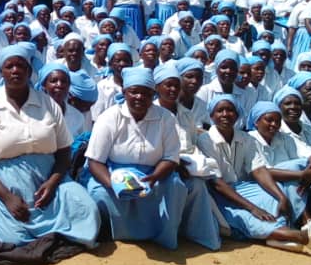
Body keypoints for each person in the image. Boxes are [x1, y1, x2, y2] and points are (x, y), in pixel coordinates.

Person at [0, 45, 100, 249]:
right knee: (14, 239)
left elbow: (64, 151)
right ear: (0, 72)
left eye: (21, 66)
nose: (15, 71)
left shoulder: (49, 105)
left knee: (88, 211)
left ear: (29, 72)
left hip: (48, 179)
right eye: (9, 66)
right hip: (5, 185)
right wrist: (7, 197)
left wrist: (53, 183)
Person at [85, 66, 220, 250]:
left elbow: (171, 157)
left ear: (152, 94)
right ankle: (116, 234)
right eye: (134, 92)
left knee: (176, 187)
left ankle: (165, 235)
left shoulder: (165, 118)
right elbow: (95, 161)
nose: (139, 97)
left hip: (156, 173)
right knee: (99, 193)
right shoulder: (109, 117)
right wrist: (113, 184)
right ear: (125, 92)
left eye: (145, 93)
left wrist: (154, 178)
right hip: (115, 174)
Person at [196, 94, 311, 253]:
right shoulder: (206, 140)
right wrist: (252, 208)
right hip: (219, 193)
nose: (225, 114)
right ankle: (298, 236)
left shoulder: (245, 138)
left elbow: (259, 170)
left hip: (242, 187)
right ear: (212, 116)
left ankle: (276, 237)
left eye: (230, 110)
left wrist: (281, 197)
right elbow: (217, 184)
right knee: (245, 217)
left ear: (237, 114)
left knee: (272, 201)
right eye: (220, 111)